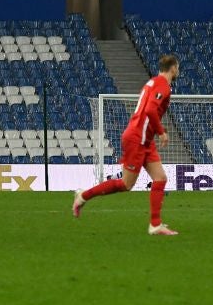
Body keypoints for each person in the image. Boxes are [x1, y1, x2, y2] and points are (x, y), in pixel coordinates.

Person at [73, 54, 180, 235]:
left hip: (145, 139)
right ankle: (83, 195)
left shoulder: (152, 82)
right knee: (126, 184)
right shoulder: (164, 86)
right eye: (178, 68)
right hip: (137, 138)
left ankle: (155, 225)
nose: (178, 71)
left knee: (160, 178)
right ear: (173, 68)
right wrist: (161, 131)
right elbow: (150, 110)